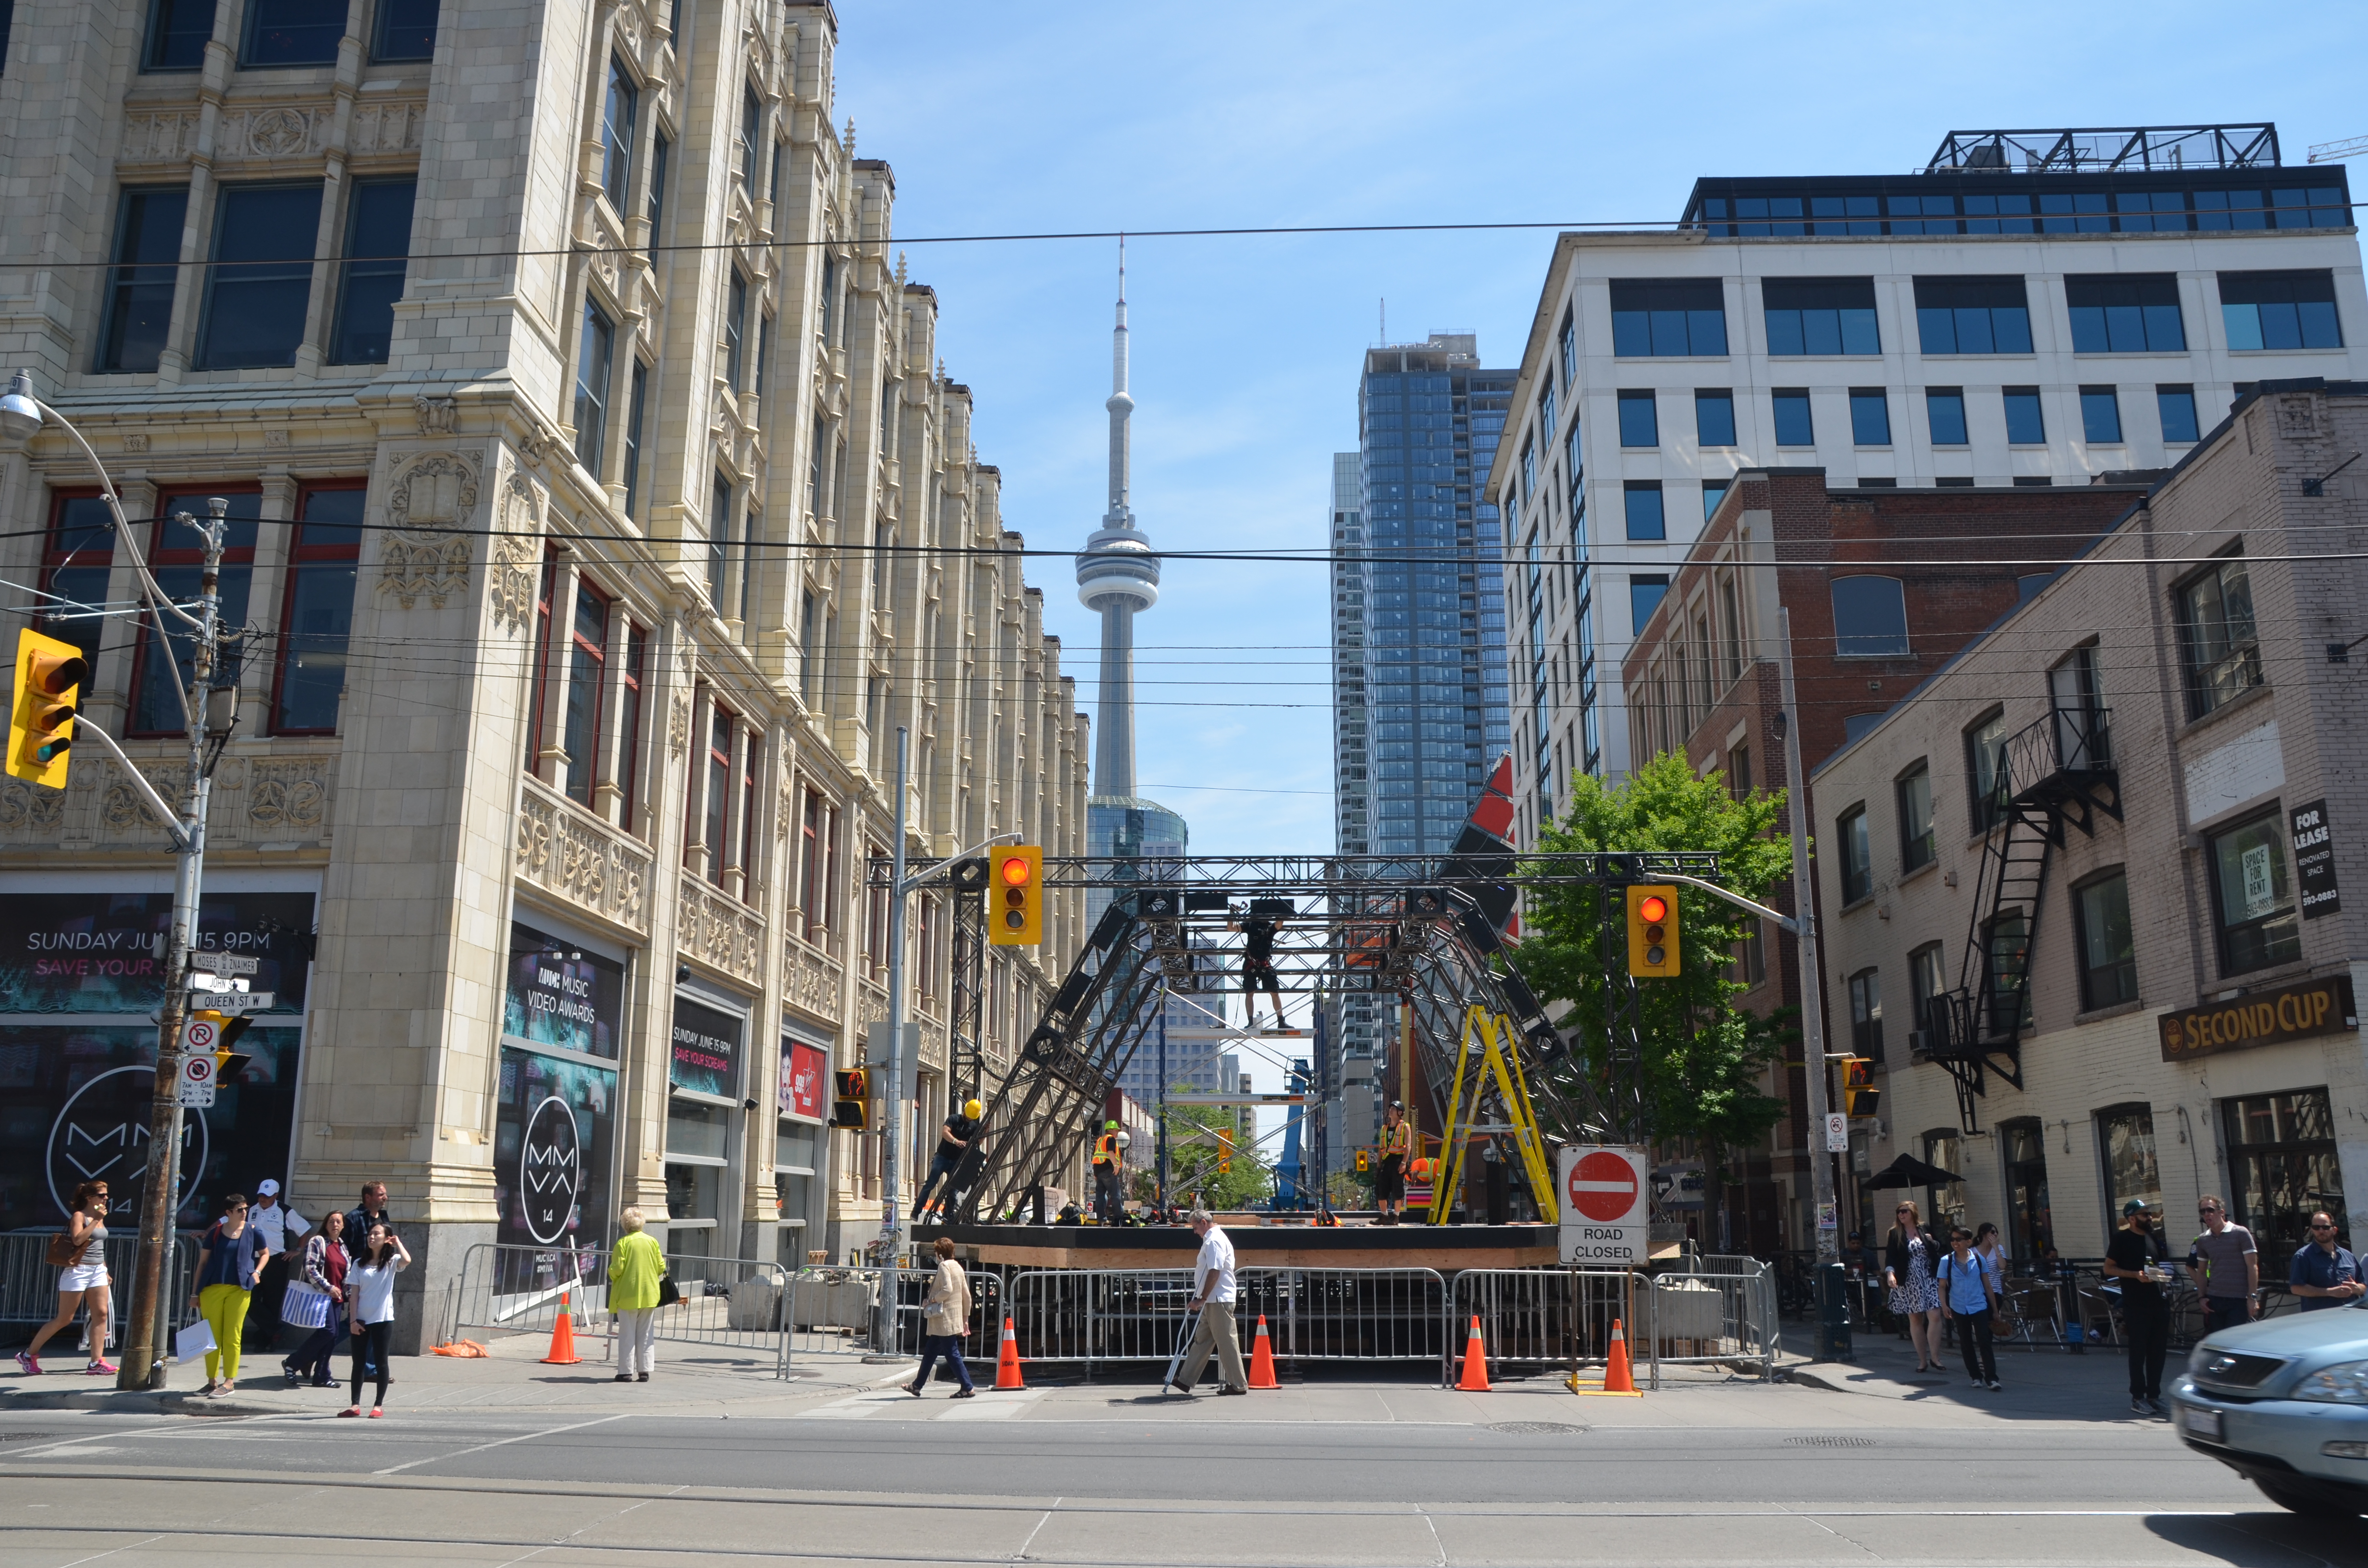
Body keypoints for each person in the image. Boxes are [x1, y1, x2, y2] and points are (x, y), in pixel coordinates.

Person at [18, 1180, 113, 1376]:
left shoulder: (100, 1215)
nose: (106, 1198)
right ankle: (29, 1355)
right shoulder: (80, 1216)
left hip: (97, 1271)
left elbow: (98, 1247)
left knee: (101, 1314)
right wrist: (95, 1220)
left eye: (107, 1195)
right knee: (65, 1318)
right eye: (102, 1195)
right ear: (90, 1198)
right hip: (78, 1271)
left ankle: (96, 1363)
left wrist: (105, 1269)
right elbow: (78, 1239)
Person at [189, 1193, 271, 1396]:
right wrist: (194, 1293)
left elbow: (265, 1254)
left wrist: (257, 1271)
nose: (245, 1212)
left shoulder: (253, 1231)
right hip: (212, 1289)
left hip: (240, 1289)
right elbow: (203, 1263)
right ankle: (211, 1381)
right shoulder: (215, 1233)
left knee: (233, 1335)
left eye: (246, 1208)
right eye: (240, 1210)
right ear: (229, 1213)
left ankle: (230, 1382)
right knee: (212, 1337)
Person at [1170, 1208, 1248, 1396]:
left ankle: (1239, 1384)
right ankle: (1185, 1380)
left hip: (1217, 1299)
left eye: (1195, 1226)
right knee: (1203, 1340)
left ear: (1203, 1222)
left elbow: (1215, 1270)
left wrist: (1201, 1298)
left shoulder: (1214, 1241)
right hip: (1213, 1299)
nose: (1194, 1231)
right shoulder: (1214, 1239)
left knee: (1227, 1342)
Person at [2103, 1199, 2171, 1414]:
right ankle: (2137, 1397)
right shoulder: (2122, 1239)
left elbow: (2156, 1266)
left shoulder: (2153, 1238)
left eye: (2149, 1215)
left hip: (2158, 1302)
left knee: (2158, 1352)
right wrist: (2134, 1275)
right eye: (2144, 1215)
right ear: (2132, 1219)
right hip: (2136, 1304)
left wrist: (2161, 1277)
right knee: (2138, 1351)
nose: (2149, 1218)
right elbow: (2109, 1269)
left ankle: (2154, 1395)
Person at [342, 1221, 410, 1417]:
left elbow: (407, 1260)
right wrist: (353, 1321)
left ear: (386, 1239)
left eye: (377, 1234)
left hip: (383, 1318)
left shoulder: (391, 1261)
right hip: (361, 1320)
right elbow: (353, 1295)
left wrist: (398, 1243)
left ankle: (378, 1406)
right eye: (370, 1234)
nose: (372, 1237)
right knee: (359, 1362)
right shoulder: (358, 1263)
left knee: (381, 1362)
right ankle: (355, 1405)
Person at [280, 1209, 349, 1387]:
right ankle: (293, 1362)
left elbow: (345, 1275)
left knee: (332, 1336)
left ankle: (322, 1376)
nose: (335, 1225)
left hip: (337, 1298)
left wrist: (348, 1294)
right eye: (331, 1221)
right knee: (329, 1332)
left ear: (343, 1226)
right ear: (326, 1224)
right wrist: (328, 1287)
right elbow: (310, 1268)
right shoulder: (318, 1241)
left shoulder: (342, 1245)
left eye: (338, 1222)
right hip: (322, 1295)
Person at [906, 1237, 977, 1398]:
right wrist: (965, 1318)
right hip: (951, 1318)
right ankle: (916, 1386)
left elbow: (947, 1289)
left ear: (940, 1254)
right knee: (931, 1352)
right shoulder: (958, 1267)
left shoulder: (944, 1266)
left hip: (944, 1318)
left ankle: (968, 1387)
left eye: (936, 1252)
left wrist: (931, 1301)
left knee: (952, 1354)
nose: (935, 1255)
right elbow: (967, 1296)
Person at [1883, 1200, 1946, 1374]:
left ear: (1913, 1213)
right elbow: (1891, 1257)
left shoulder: (1924, 1228)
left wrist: (1933, 1242)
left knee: (1934, 1314)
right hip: (1909, 1279)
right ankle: (1922, 1361)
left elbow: (1940, 1247)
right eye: (1899, 1212)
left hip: (1929, 1277)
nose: (1901, 1215)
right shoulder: (1895, 1233)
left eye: (1904, 1211)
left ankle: (1935, 1357)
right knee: (1916, 1319)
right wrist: (1890, 1274)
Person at [245, 1178, 307, 1351]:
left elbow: (304, 1229)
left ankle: (264, 1342)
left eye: (267, 1196)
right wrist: (207, 1231)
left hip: (277, 1261)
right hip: (255, 1260)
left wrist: (298, 1250)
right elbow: (224, 1220)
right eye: (261, 1196)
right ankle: (276, 1329)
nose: (263, 1199)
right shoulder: (251, 1210)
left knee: (273, 1302)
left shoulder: (284, 1210)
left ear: (276, 1196)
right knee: (250, 1299)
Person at [1937, 1227, 2002, 1391]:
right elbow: (1942, 1286)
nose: (1955, 1243)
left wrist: (1995, 1310)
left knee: (1984, 1341)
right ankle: (1975, 1377)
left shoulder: (1979, 1260)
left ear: (1968, 1241)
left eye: (1959, 1239)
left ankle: (1992, 1378)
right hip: (1958, 1306)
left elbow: (1988, 1286)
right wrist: (1944, 1306)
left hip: (1978, 1304)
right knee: (1966, 1343)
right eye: (1952, 1239)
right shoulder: (1947, 1261)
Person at [607, 1206, 666, 1383]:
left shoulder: (623, 1244)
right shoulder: (652, 1241)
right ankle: (645, 1370)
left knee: (627, 1334)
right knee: (646, 1334)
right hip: (649, 1294)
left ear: (625, 1224)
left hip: (628, 1294)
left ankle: (625, 1372)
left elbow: (617, 1269)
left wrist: (610, 1272)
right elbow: (660, 1266)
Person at [2189, 1196, 2259, 1334]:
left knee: (2234, 1341)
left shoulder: (2241, 1233)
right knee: (2217, 1341)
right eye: (2203, 1212)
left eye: (2210, 1210)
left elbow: (2253, 1267)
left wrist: (2252, 1298)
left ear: (2221, 1212)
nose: (2207, 1214)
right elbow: (2202, 1272)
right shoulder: (2203, 1240)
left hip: (2238, 1300)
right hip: (2215, 1300)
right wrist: (2201, 1298)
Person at [914, 1099, 983, 1220]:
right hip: (942, 1157)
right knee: (931, 1183)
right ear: (965, 1111)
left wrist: (985, 1131)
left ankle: (948, 1214)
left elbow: (976, 1143)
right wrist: (956, 1141)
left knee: (953, 1189)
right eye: (968, 1117)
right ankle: (917, 1210)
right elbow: (945, 1132)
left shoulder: (973, 1126)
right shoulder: (953, 1119)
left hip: (956, 1161)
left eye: (971, 1118)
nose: (969, 1120)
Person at [2289, 1210, 2365, 1311]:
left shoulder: (2348, 1256)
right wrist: (2329, 1292)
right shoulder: (2303, 1256)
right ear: (2312, 1230)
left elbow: (2364, 1285)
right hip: (2320, 1319)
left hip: (2349, 1317)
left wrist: (2358, 1289)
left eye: (2325, 1227)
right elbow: (2296, 1288)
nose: (2321, 1231)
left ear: (2334, 1230)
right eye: (2316, 1227)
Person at [1230, 906, 1287, 1030]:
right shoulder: (1250, 925)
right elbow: (1231, 928)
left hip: (1265, 964)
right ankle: (1251, 1023)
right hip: (1251, 963)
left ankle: (1281, 1021)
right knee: (1249, 993)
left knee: (1275, 993)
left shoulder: (1270, 928)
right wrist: (1231, 914)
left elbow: (1280, 923)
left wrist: (1278, 909)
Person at [1376, 1103, 1412, 1225]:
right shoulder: (1384, 1128)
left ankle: (1396, 1217)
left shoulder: (1405, 1126)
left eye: (1394, 1109)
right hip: (1386, 1162)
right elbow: (1381, 1148)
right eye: (1390, 1108)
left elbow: (1408, 1146)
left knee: (1398, 1190)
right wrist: (1378, 1165)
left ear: (1400, 1113)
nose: (1390, 1111)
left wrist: (1404, 1163)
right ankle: (1384, 1216)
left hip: (1398, 1161)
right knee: (1381, 1190)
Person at [346, 1182, 395, 1252]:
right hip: (361, 1262)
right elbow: (344, 1249)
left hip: (383, 1262)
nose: (385, 1198)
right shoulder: (353, 1218)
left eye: (385, 1194)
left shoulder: (384, 1217)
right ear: (368, 1197)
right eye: (381, 1195)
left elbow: (389, 1245)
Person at [1091, 1120, 1124, 1225]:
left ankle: (1101, 1219)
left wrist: (1096, 1173)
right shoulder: (1110, 1139)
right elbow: (1110, 1152)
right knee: (1115, 1195)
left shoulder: (1100, 1140)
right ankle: (1118, 1219)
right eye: (1116, 1130)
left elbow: (1095, 1156)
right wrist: (1115, 1166)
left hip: (1099, 1171)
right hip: (1108, 1170)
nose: (1117, 1133)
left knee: (1101, 1195)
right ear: (1110, 1130)